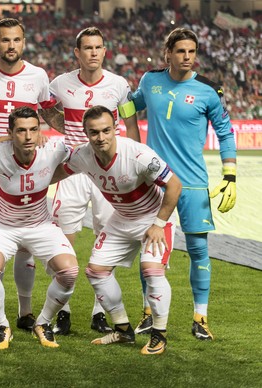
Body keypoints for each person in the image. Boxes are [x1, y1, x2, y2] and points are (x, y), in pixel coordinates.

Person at [130, 27, 237, 341]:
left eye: (192, 51)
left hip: (192, 184)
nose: (187, 57)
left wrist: (229, 174)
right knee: (150, 249)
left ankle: (200, 318)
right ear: (168, 54)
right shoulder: (150, 81)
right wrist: (133, 142)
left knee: (198, 250)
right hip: (155, 183)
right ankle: (148, 313)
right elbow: (129, 107)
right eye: (180, 51)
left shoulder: (208, 91)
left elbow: (226, 133)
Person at [55, 105, 181, 355]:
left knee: (152, 271)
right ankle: (123, 330)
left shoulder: (137, 154)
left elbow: (175, 185)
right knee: (96, 271)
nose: (100, 138)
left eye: (105, 131)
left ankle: (159, 335)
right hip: (122, 218)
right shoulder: (82, 156)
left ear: (115, 128)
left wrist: (158, 224)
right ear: (85, 133)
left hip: (153, 218)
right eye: (93, 133)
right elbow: (58, 172)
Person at [41, 26, 140, 336]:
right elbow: (46, 110)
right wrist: (60, 125)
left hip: (109, 175)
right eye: (88, 48)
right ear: (77, 53)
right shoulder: (60, 84)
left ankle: (100, 312)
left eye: (98, 47)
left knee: (107, 239)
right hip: (72, 171)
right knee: (62, 240)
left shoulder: (119, 86)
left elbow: (130, 124)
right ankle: (63, 312)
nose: (94, 52)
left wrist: (134, 164)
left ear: (104, 51)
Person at [0, 17, 60, 336]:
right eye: (4, 40)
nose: (11, 46)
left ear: (24, 42)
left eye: (16, 40)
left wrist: (47, 132)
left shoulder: (37, 76)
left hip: (26, 170)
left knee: (26, 244)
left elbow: (47, 113)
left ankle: (25, 311)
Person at [0, 106, 79, 350]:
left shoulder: (53, 149)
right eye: (20, 131)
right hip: (3, 226)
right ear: (11, 133)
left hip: (41, 225)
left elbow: (80, 157)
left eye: (33, 129)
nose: (29, 136)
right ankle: (1, 325)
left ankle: (43, 323)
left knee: (69, 272)